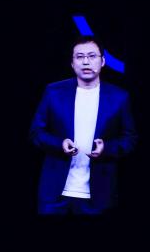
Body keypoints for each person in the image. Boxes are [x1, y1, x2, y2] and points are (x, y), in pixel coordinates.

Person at [30, 35, 136, 215]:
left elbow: (130, 138)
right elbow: (36, 132)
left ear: (103, 61)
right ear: (72, 63)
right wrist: (59, 144)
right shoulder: (53, 92)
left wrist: (107, 148)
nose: (86, 62)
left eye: (92, 56)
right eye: (80, 57)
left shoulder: (119, 97)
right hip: (55, 192)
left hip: (98, 194)